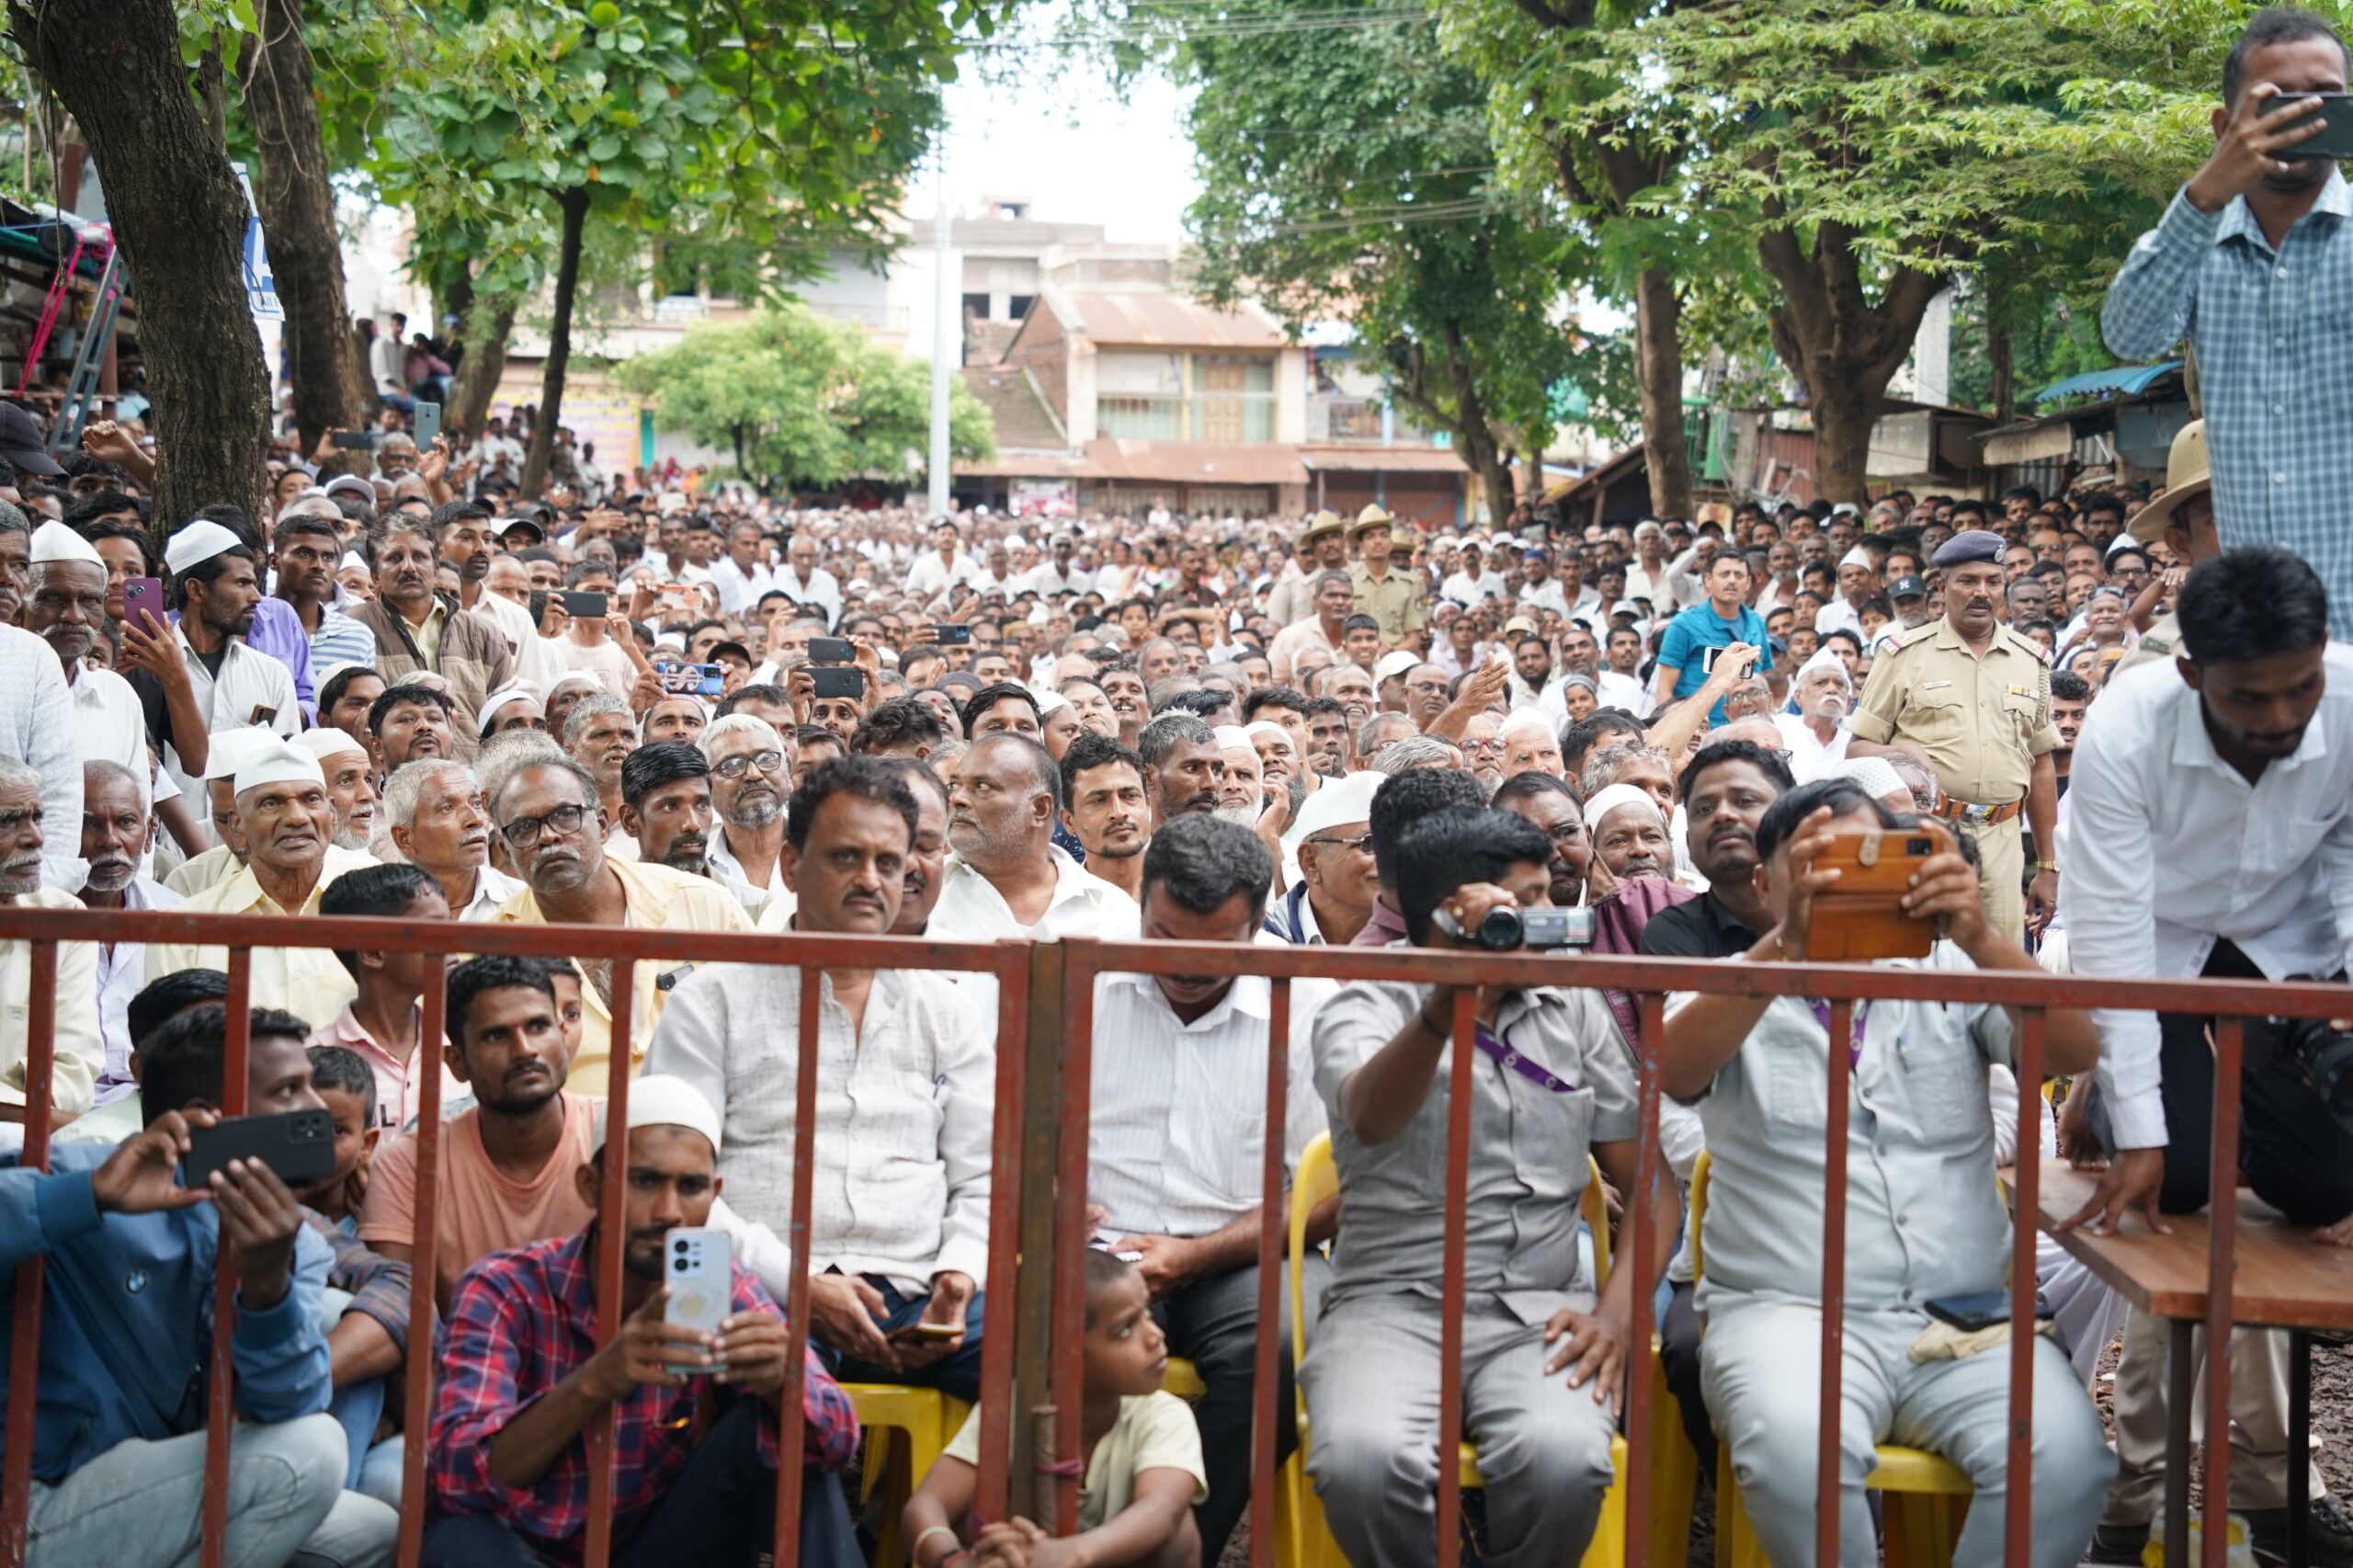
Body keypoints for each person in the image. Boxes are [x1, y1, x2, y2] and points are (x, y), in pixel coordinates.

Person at [1659, 778, 2112, 1568]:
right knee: (1797, 1455)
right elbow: (1672, 1068)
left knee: (2068, 1457)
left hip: (1963, 1321)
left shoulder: (1955, 975)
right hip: (1787, 1315)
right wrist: (1787, 945)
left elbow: (2073, 1053)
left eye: (1874, 856)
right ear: (1766, 882)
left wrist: (1980, 935)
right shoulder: (1726, 983)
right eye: (1822, 861)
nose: (1850, 879)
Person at [1304, 807, 1675, 1568]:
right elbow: (1371, 1118)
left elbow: (1653, 1186)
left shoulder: (1573, 1008)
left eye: (1548, 897)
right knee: (1361, 1464)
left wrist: (1615, 1315)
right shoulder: (1362, 1002)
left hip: (1541, 1308)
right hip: (1390, 1305)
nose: (1547, 920)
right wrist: (1451, 997)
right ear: (1448, 913)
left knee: (1563, 1460)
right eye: (1523, 904)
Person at [0, 1000, 399, 1568]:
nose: (314, 1110)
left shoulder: (295, 1242)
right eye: (289, 1092)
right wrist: (86, 1199)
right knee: (311, 1453)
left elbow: (286, 1406)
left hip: (157, 1493)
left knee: (373, 1530)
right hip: (34, 1499)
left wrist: (266, 1292)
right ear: (203, 1119)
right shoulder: (77, 1172)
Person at [647, 757, 993, 1397]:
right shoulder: (712, 998)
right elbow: (673, 1192)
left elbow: (982, 1176)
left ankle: (941, 1503)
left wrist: (959, 1276)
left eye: (888, 863)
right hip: (754, 1285)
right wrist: (798, 1282)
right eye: (845, 858)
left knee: (1054, 1351)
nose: (871, 880)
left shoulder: (946, 1008)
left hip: (914, 1292)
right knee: (753, 1376)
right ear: (788, 865)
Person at [422, 1075, 863, 1567]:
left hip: (654, 1547)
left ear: (714, 1194)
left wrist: (782, 1383)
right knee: (458, 1542)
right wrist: (598, 1381)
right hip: (526, 1550)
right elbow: (456, 1476)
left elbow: (840, 1440)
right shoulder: (504, 1288)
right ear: (590, 1186)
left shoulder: (718, 1284)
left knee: (792, 1445)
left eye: (692, 1187)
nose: (669, 1212)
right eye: (644, 1180)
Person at [2061, 548, 2353, 1238]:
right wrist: (2138, 1128)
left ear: (2320, 647)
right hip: (2158, 939)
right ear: (2191, 673)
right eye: (2248, 698)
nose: (2282, 717)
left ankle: (2246, 1106)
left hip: (2286, 937)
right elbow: (2114, 930)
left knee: (2324, 1190)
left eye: (2300, 689)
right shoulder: (2125, 729)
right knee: (2177, 1176)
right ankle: (2116, 1089)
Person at [1086, 813, 1332, 1565]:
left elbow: (1329, 1193)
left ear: (1259, 925)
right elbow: (1022, 1140)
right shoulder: (1080, 979)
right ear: (1139, 909)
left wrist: (1194, 1256)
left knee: (1284, 1344)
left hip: (1249, 1251)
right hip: (1101, 1248)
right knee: (1038, 1324)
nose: (1185, 964)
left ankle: (1169, 1544)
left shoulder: (1313, 1002)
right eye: (1164, 938)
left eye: (1214, 946)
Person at [2101, 6, 2353, 634]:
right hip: (2255, 642)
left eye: (2326, 98)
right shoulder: (2196, 244)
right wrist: (2204, 194)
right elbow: (2129, 335)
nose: (2304, 116)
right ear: (2225, 125)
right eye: (2277, 102)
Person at [903, 1249, 1205, 1568]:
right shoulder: (1011, 1409)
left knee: (1178, 1531)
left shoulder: (1163, 1415)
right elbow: (926, 1505)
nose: (1156, 1335)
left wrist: (1069, 1555)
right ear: (1062, 1356)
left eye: (1147, 1314)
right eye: (1125, 1329)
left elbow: (1162, 1509)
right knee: (979, 1518)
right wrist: (954, 1560)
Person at [485, 754, 750, 1095]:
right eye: (524, 828)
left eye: (565, 816)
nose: (548, 836)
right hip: (573, 1143)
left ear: (600, 824)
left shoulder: (702, 903)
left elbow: (765, 1023)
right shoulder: (488, 949)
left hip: (705, 1132)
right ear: (505, 849)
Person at [1845, 529, 2060, 942]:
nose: (1981, 592)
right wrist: (1901, 752)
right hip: (1925, 831)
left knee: (2000, 975)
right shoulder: (1903, 654)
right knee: (1920, 957)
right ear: (1942, 589)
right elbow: (1856, 750)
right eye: (1968, 581)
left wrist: (2048, 868)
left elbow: (2042, 765)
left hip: (2002, 837)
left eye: (1992, 582)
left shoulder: (2031, 661)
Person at [361, 957, 598, 1307]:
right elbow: (393, 1309)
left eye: (538, 1027)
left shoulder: (616, 1133)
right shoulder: (410, 1161)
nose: (524, 1050)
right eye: (497, 1035)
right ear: (457, 1062)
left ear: (563, 1036)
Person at [144, 741, 381, 1031]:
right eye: (271, 803)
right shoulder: (185, 930)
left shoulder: (383, 903)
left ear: (331, 815)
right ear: (238, 826)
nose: (297, 817)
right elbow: (170, 1049)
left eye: (311, 799)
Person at [121, 519, 299, 824]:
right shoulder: (144, 667)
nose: (256, 596)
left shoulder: (272, 674)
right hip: (164, 848)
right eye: (242, 583)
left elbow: (284, 770)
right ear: (196, 590)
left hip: (251, 844)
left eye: (255, 584)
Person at [931, 733, 1141, 942]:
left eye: (982, 787)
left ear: (1040, 809)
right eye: (954, 786)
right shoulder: (922, 897)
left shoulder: (1115, 914)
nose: (957, 799)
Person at [347, 513, 514, 762]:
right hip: (389, 780)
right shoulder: (352, 628)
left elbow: (505, 717)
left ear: (436, 571)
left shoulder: (482, 633)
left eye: (419, 557)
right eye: (394, 558)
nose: (409, 567)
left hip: (471, 780)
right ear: (375, 576)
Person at [310, 863, 462, 1131]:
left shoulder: (460, 1049)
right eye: (434, 929)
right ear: (373, 953)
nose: (453, 941)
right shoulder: (312, 1061)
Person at [0, 757, 99, 1122]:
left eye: (36, 817)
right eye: (6, 822)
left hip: (37, 1133)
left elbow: (74, 1072)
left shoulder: (63, 917)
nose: (35, 838)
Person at [76, 758, 179, 1106]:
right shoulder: (29, 919)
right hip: (49, 1107)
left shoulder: (178, 917)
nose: (110, 840)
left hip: (150, 1107)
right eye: (88, 824)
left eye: (126, 822)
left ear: (150, 834)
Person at [382, 757, 521, 920]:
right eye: (447, 808)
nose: (475, 819)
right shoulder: (379, 912)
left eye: (476, 803)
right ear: (404, 837)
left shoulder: (522, 902)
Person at [1650, 550, 1771, 728]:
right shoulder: (1684, 624)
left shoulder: (1757, 622)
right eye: (1724, 574)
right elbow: (1663, 690)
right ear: (1708, 580)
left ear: (1748, 583)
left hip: (1747, 727)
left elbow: (1763, 676)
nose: (1731, 580)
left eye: (1738, 575)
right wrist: (1677, 731)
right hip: (1699, 730)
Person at [1263, 770, 1381, 947]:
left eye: (1397, 842)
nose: (1390, 857)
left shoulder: (1423, 933)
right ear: (1310, 861)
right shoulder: (1263, 941)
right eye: (1369, 843)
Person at [699, 714, 794, 919]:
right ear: (705, 787)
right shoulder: (694, 865)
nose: (753, 774)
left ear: (788, 773)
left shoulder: (824, 849)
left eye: (767, 759)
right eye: (732, 765)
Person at [1060, 732, 1151, 904]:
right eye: (1098, 800)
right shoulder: (1057, 912)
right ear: (1068, 821)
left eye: (1130, 796)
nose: (1118, 812)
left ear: (1148, 805)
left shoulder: (1194, 888)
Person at [1492, 771, 1588, 908]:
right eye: (1529, 840)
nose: (1552, 854)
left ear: (1589, 837)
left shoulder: (1626, 909)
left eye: (1565, 832)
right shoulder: (1485, 917)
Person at [617, 741, 713, 877]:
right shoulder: (612, 897)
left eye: (702, 805)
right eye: (670, 807)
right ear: (630, 820)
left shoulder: (741, 897)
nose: (692, 824)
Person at [1346, 507, 1426, 651]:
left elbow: (1414, 637)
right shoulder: (1347, 581)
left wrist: (1391, 652)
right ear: (1360, 544)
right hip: (1355, 661)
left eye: (1384, 535)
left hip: (1397, 660)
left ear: (1391, 541)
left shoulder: (1408, 583)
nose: (1378, 541)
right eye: (1370, 536)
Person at [1775, 649, 1856, 783]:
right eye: (1820, 683)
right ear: (1798, 697)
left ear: (1849, 703)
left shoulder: (1855, 743)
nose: (1832, 689)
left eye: (1839, 684)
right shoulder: (1779, 730)